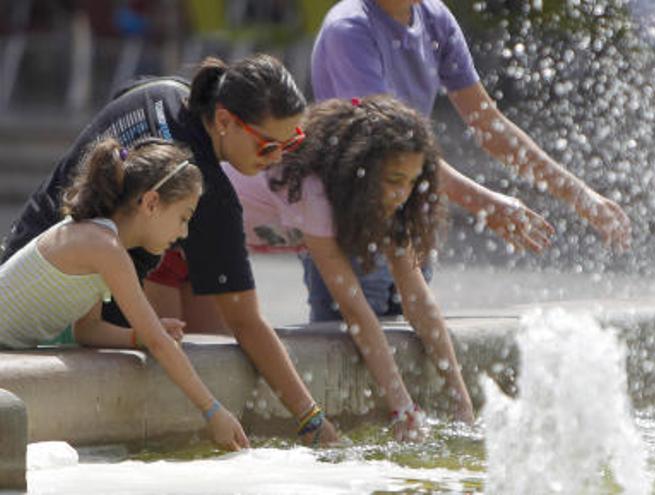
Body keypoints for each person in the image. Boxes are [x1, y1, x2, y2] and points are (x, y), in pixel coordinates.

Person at [0, 54, 338, 446]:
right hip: (47, 312)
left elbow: (90, 327)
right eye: (267, 146)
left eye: (290, 144)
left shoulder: (163, 92)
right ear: (225, 121)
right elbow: (245, 322)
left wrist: (140, 336)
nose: (277, 158)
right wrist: (308, 418)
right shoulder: (201, 196)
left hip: (24, 251)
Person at [307, 0, 632, 321]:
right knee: (354, 360)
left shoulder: (434, 18)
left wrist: (580, 196)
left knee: (414, 353)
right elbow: (391, 151)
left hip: (409, 220)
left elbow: (489, 126)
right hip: (351, 226)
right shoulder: (350, 29)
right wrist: (487, 204)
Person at [224, 95, 474, 441]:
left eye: (412, 182)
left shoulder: (389, 200)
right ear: (361, 170)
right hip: (192, 232)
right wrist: (402, 407)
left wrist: (463, 405)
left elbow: (418, 299)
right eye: (393, 180)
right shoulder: (316, 193)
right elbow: (355, 309)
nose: (403, 193)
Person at [0, 137, 249, 451]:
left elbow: (87, 330)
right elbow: (160, 344)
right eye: (183, 217)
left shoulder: (103, 243)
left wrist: (137, 338)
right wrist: (213, 411)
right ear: (151, 203)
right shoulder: (104, 246)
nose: (183, 233)